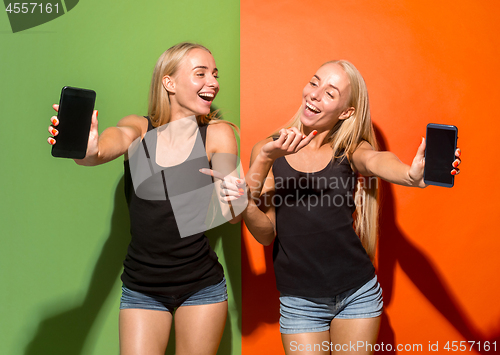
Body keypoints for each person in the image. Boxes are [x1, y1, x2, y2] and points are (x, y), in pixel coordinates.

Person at [227, 60, 461, 355]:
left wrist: (409, 175)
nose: (315, 94)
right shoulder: (270, 149)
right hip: (300, 303)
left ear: (347, 111)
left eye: (330, 93)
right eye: (314, 83)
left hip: (358, 295)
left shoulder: (350, 148)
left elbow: (376, 160)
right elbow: (265, 234)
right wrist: (246, 201)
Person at [47, 42, 240, 355]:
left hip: (201, 285)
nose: (214, 82)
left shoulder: (218, 134)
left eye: (215, 74)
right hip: (143, 286)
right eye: (201, 73)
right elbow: (103, 149)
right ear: (169, 82)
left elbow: (234, 215)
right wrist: (89, 147)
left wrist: (236, 197)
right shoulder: (139, 128)